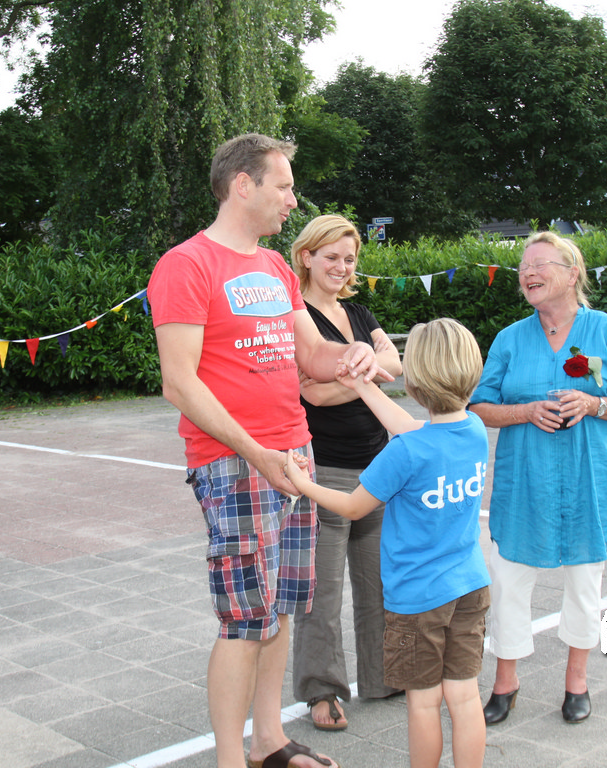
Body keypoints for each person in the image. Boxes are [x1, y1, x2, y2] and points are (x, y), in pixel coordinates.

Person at [147, 133, 389, 768]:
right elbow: (179, 381)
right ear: (243, 185)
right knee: (244, 619)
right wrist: (257, 453)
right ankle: (232, 758)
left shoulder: (277, 267)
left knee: (281, 607)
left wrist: (354, 355)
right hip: (234, 463)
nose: (292, 199)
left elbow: (312, 354)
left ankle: (270, 742)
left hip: (296, 457)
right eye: (283, 186)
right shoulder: (187, 264)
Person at [283, 318, 491, 768]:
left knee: (424, 703)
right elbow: (413, 428)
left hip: (418, 600)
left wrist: (302, 482)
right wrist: (362, 386)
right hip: (470, 588)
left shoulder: (405, 453)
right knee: (464, 696)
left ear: (414, 382)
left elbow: (352, 506)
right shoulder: (474, 429)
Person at [468, 231, 607, 725]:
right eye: (523, 267)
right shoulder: (509, 339)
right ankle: (505, 683)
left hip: (587, 483)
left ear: (573, 274)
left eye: (540, 264)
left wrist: (594, 404)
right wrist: (524, 411)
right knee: (508, 584)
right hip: (523, 485)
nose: (528, 272)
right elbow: (478, 406)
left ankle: (577, 683)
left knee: (585, 587)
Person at [288, 215, 404, 731]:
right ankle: (323, 690)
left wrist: (353, 379)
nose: (341, 266)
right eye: (331, 256)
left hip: (379, 467)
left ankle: (383, 677)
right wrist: (369, 375)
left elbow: (394, 361)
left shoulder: (359, 311)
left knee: (379, 583)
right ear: (307, 256)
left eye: (350, 258)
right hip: (327, 470)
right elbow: (309, 392)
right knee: (322, 593)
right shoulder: (299, 316)